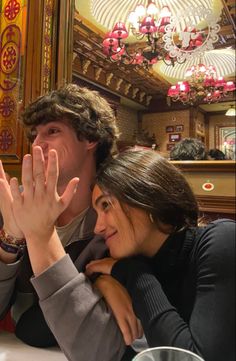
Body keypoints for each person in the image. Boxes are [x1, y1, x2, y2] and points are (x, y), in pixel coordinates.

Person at [0, 84, 140, 361]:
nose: (38, 143)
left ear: (90, 138)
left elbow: (107, 346)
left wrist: (102, 281)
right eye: (35, 134)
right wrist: (11, 238)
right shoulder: (13, 204)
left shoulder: (116, 218)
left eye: (52, 131)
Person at [84, 149, 235, 361]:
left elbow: (194, 358)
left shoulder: (222, 240)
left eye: (106, 205)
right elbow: (35, 329)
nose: (97, 228)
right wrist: (101, 284)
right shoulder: (125, 263)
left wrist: (134, 274)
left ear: (146, 194)